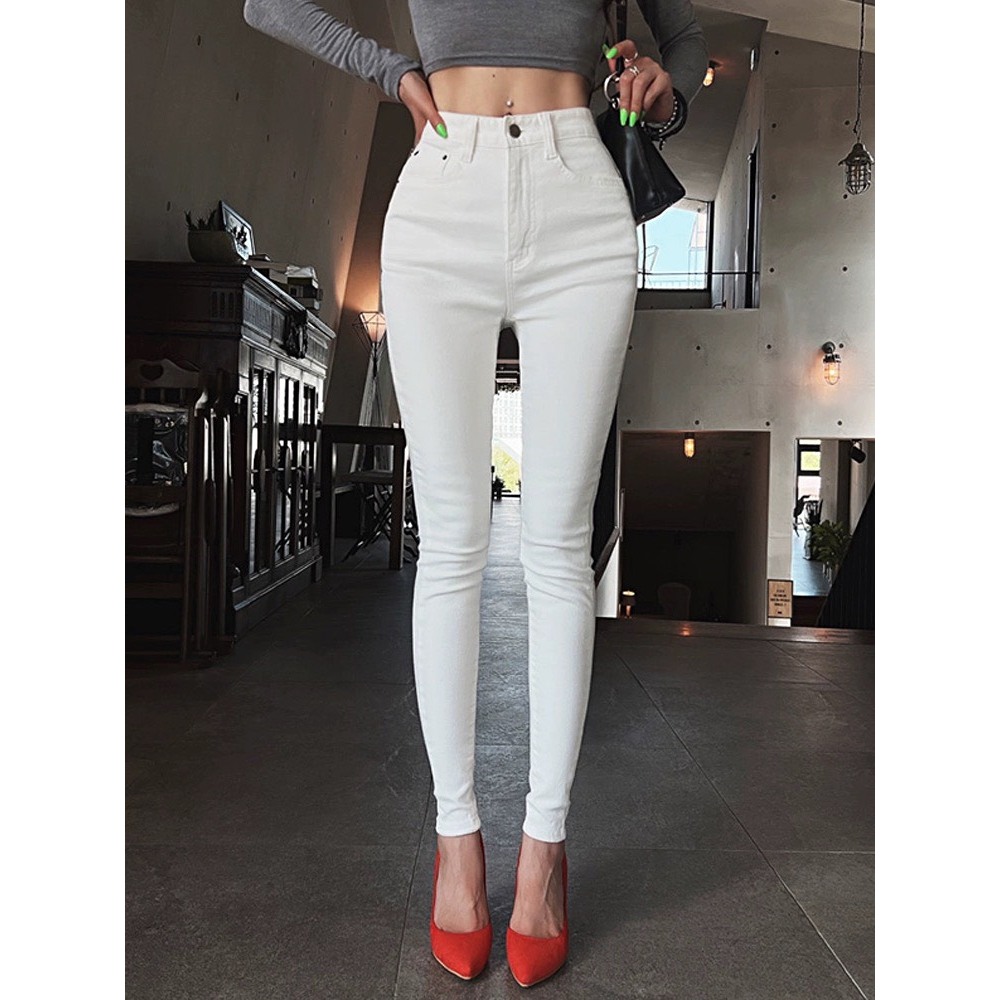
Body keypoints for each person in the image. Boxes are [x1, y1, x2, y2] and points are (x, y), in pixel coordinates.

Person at [242, 0, 708, 986]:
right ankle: (457, 841)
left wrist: (663, 84)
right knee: (452, 541)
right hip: (442, 191)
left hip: (578, 194)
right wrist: (388, 70)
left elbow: (687, 32)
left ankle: (543, 852)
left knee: (557, 545)